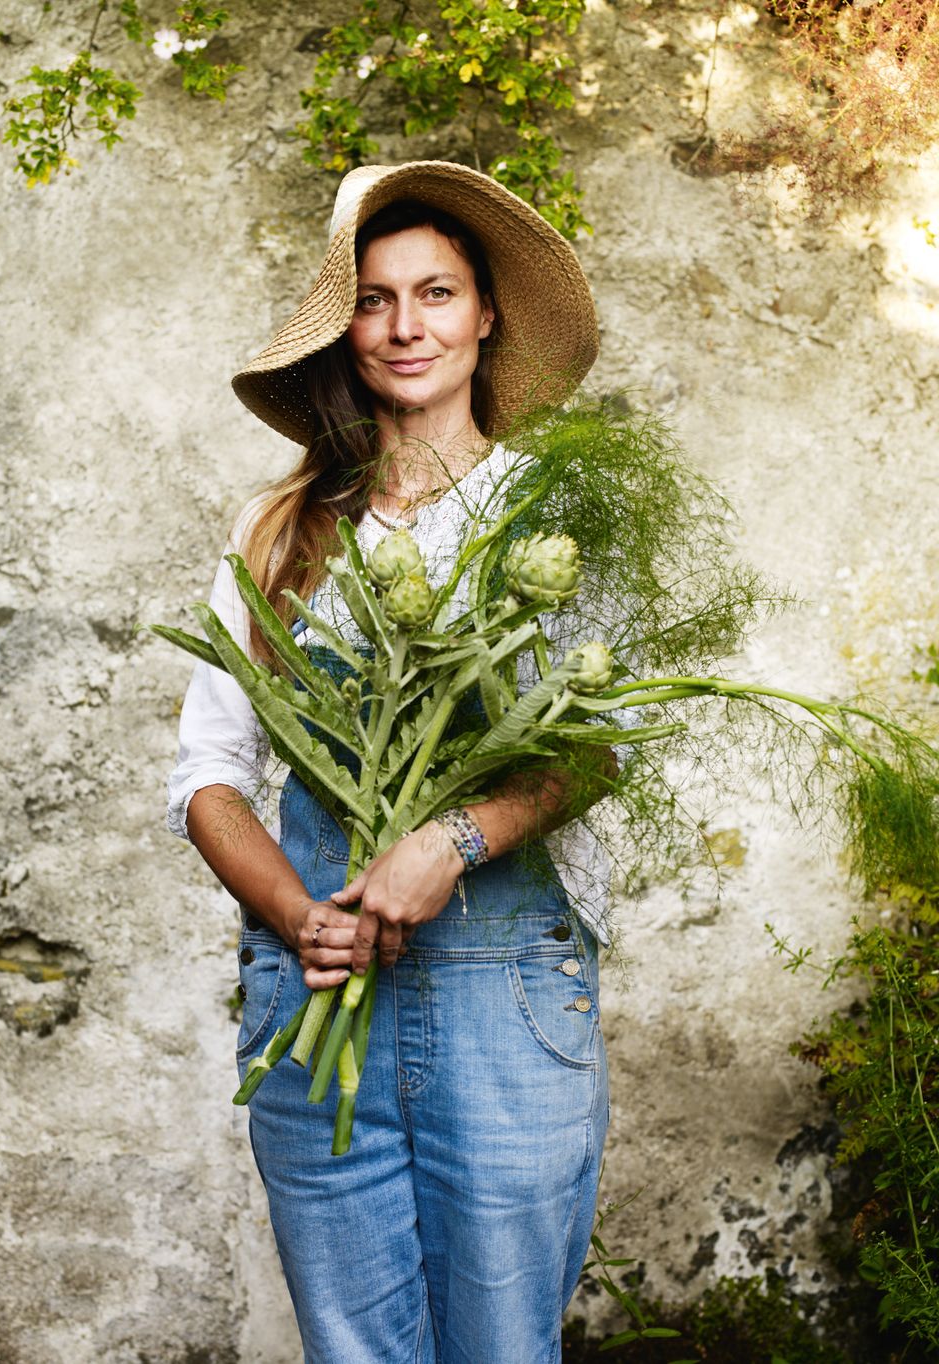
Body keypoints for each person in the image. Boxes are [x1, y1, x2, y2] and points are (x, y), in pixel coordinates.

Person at [167, 161, 613, 1364]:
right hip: (316, 990)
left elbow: (593, 748)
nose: (406, 325)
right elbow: (208, 772)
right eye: (373, 299)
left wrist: (452, 840)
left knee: (503, 1346)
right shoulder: (282, 530)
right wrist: (296, 913)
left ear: (487, 316)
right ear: (346, 331)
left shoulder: (559, 517)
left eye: (436, 292)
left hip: (501, 992)